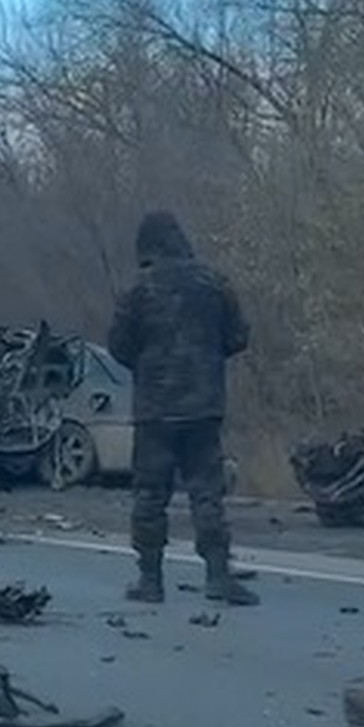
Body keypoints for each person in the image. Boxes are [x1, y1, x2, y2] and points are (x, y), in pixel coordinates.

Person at [107, 211, 257, 605]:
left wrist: (148, 366)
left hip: (154, 409)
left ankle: (150, 580)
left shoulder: (136, 291)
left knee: (149, 494)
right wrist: (207, 355)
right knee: (207, 493)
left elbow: (118, 347)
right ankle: (217, 575)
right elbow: (238, 337)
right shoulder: (213, 283)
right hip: (203, 405)